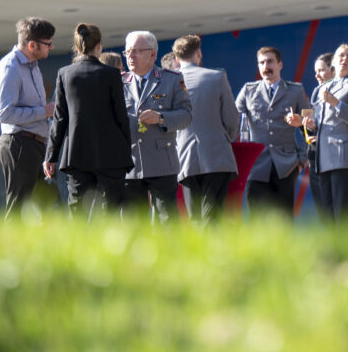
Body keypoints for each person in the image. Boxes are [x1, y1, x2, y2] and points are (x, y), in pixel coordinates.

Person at [44, 23, 133, 216]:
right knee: (109, 213)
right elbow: (121, 116)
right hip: (111, 155)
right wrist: (127, 149)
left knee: (77, 212)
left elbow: (60, 119)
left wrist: (51, 156)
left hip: (77, 153)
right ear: (99, 45)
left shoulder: (65, 74)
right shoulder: (111, 74)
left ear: (77, 47)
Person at [0, 17, 60, 219]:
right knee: (19, 208)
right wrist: (44, 112)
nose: (51, 47)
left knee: (47, 203)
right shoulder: (10, 68)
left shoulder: (33, 66)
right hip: (18, 144)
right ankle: (7, 250)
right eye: (48, 43)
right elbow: (4, 113)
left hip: (33, 145)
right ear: (32, 45)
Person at [122, 30, 193, 222]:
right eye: (128, 51)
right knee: (133, 224)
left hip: (162, 162)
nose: (130, 56)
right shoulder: (119, 82)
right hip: (130, 164)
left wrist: (160, 118)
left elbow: (186, 116)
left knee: (167, 221)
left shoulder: (172, 79)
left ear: (152, 54)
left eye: (136, 51)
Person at [172, 35, 240, 223]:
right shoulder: (216, 76)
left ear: (177, 59)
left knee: (194, 218)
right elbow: (232, 118)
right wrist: (226, 137)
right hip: (217, 155)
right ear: (199, 54)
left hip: (185, 157)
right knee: (213, 217)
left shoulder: (169, 81)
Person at [236, 46, 310, 217]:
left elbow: (310, 127)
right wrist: (238, 159)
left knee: (284, 220)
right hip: (256, 166)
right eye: (261, 62)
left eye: (270, 61)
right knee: (257, 221)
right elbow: (232, 122)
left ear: (280, 65)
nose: (265, 66)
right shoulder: (248, 90)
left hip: (286, 165)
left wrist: (302, 160)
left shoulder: (295, 90)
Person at [303, 44, 348, 224]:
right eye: (341, 55)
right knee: (327, 218)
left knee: (343, 217)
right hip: (322, 161)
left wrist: (337, 104)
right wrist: (309, 125)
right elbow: (320, 124)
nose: (345, 59)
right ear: (333, 62)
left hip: (344, 159)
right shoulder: (320, 90)